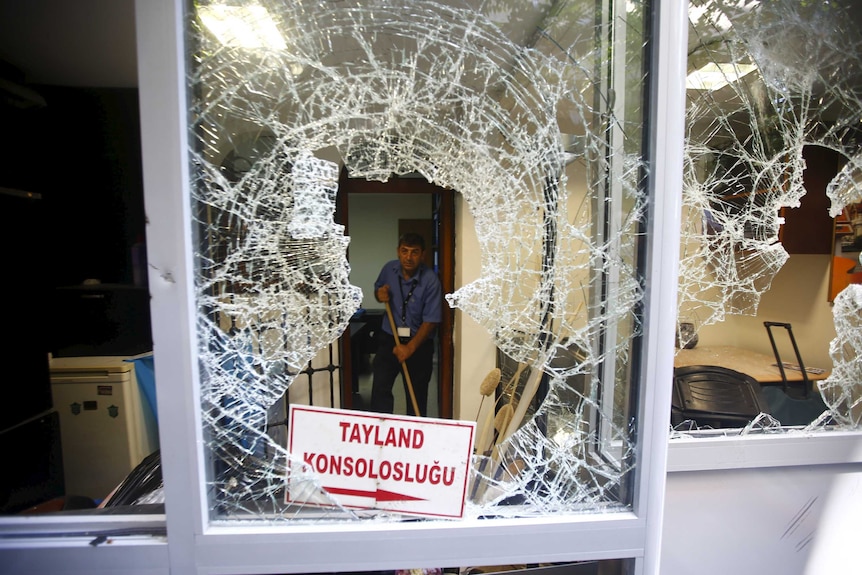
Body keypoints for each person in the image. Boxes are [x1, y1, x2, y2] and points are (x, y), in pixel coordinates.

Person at [370, 232, 442, 417]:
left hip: (419, 343)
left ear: (423, 255)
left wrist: (409, 348)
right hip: (389, 338)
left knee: (416, 395)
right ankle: (381, 434)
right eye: (404, 251)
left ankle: (413, 435)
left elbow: (431, 320)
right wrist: (379, 295)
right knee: (380, 389)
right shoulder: (388, 270)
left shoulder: (431, 281)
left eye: (414, 252)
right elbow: (378, 290)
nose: (408, 257)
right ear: (398, 252)